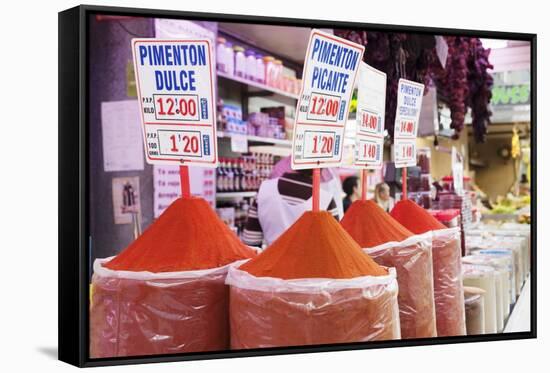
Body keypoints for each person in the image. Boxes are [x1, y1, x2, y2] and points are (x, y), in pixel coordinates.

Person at [242, 166, 341, 247]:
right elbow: (336, 246)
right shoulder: (326, 200)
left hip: (271, 268)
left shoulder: (264, 190)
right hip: (311, 270)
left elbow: (251, 242)